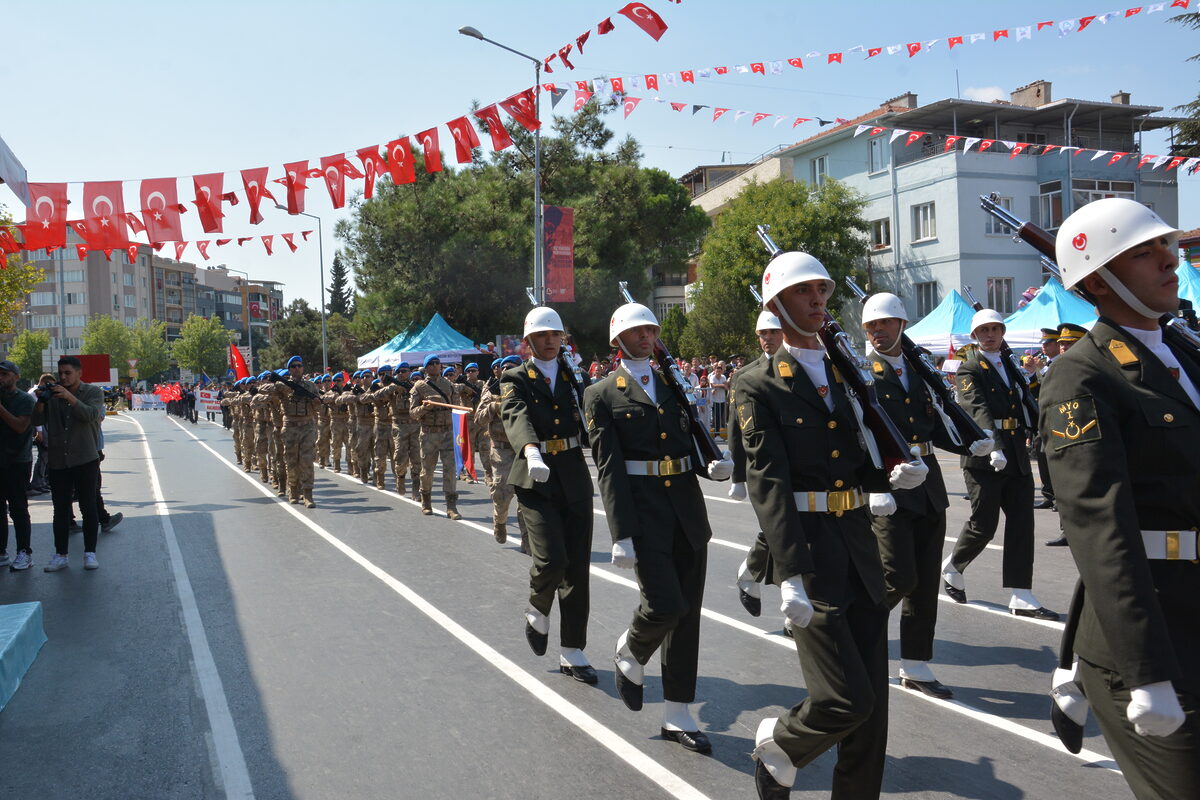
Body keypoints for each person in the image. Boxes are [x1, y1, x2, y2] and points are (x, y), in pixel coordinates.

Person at [736, 251, 927, 799]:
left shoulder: (848, 370)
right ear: (776, 304)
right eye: (804, 292)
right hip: (812, 556)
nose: (818, 299)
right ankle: (782, 744)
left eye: (821, 290)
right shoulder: (758, 384)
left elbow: (859, 452)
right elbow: (767, 481)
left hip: (859, 545)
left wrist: (890, 476)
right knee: (846, 699)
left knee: (872, 716)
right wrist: (788, 573)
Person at [1040, 197, 1199, 800]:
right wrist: (1146, 671)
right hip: (1153, 630)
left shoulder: (1181, 351)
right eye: (1144, 251)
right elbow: (1100, 527)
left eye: (1167, 245)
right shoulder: (1080, 377)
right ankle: (1087, 675)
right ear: (1099, 283)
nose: (1169, 258)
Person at [585, 303, 733, 755]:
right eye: (637, 331)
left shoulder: (673, 382)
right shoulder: (601, 394)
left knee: (687, 616)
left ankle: (677, 714)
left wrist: (716, 465)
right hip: (644, 514)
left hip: (687, 511)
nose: (647, 336)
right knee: (664, 605)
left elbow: (691, 439)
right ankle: (631, 647)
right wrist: (620, 533)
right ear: (618, 340)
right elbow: (609, 468)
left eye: (651, 329)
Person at [859, 293, 994, 699]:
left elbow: (936, 427)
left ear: (901, 325)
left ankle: (915, 664)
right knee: (898, 575)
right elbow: (860, 434)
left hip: (929, 486)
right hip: (893, 486)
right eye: (871, 326)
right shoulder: (862, 374)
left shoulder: (920, 371)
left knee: (923, 582)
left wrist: (970, 444)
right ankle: (852, 633)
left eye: (885, 324)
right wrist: (878, 483)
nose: (878, 331)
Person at [941, 311, 1058, 620]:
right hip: (985, 456)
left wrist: (1031, 379)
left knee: (1022, 524)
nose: (990, 334)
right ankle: (954, 565)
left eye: (995, 329)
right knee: (984, 524)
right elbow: (975, 407)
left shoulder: (1010, 364)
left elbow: (1026, 402)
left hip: (1016, 454)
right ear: (974, 335)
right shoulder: (969, 368)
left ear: (1003, 331)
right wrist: (993, 445)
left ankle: (1021, 593)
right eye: (984, 330)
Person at [501, 309, 596, 680]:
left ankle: (573, 650)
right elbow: (515, 414)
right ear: (528, 342)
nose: (550, 341)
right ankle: (538, 606)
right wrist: (530, 449)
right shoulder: (515, 377)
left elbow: (593, 419)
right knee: (552, 560)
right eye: (541, 336)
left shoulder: (577, 376)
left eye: (555, 334)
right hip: (535, 477)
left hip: (572, 474)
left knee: (577, 569)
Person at [33, 356, 107, 572]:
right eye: (61, 373)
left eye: (68, 373)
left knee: (88, 506)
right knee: (60, 509)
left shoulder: (92, 392)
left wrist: (68, 397)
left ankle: (90, 553)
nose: (63, 377)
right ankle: (61, 555)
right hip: (58, 461)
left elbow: (91, 415)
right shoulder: (51, 396)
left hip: (85, 458)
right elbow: (36, 422)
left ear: (79, 373)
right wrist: (40, 401)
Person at [476, 356, 523, 543]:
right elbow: (479, 418)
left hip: (525, 448)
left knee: (528, 497)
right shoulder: (492, 391)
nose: (506, 371)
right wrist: (494, 406)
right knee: (502, 493)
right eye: (504, 368)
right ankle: (500, 521)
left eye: (511, 368)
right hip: (502, 449)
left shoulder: (528, 389)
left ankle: (527, 539)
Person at [410, 354, 462, 518]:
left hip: (447, 432)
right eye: (430, 364)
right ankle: (426, 500)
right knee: (428, 470)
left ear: (441, 366)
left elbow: (457, 407)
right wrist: (425, 407)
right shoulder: (419, 387)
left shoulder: (450, 385)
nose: (434, 366)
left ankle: (451, 506)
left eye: (437, 363)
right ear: (425, 368)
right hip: (429, 434)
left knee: (450, 469)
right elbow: (413, 413)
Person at [0, 360, 36, 571]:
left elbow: (20, 427)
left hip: (17, 461)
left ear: (16, 376)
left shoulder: (24, 400)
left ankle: (24, 552)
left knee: (18, 508)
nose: (1, 379)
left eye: (5, 375)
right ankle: (1, 551)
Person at [278, 356, 320, 507]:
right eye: (293, 366)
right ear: (289, 370)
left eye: (299, 366)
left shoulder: (310, 386)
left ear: (303, 368)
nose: (297, 368)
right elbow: (263, 389)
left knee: (307, 461)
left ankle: (308, 494)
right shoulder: (282, 386)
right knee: (291, 460)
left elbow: (319, 406)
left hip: (307, 427)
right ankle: (293, 491)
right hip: (290, 426)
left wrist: (316, 403)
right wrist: (284, 385)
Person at [1033, 327, 1061, 512]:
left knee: (1057, 462)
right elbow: (1036, 391)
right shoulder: (1048, 365)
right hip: (1044, 420)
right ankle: (1049, 494)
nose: (1044, 347)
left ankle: (1059, 498)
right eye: (1043, 343)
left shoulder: (1060, 364)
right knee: (1042, 456)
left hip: (1058, 419)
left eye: (1048, 343)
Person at [325, 372, 351, 473]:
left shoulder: (347, 391)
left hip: (346, 420)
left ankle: (350, 466)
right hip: (336, 421)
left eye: (338, 381)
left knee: (349, 444)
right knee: (336, 444)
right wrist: (333, 396)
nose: (336, 383)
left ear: (342, 382)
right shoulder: (331, 392)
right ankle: (337, 465)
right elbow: (324, 399)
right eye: (334, 381)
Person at [708, 363, 729, 435]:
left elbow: (726, 387)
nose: (718, 373)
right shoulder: (712, 377)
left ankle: (720, 433)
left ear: (722, 371)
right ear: (715, 371)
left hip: (722, 400)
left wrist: (722, 385)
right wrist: (722, 385)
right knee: (716, 417)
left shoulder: (723, 377)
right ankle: (716, 434)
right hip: (715, 400)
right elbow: (713, 385)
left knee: (721, 417)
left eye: (719, 371)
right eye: (717, 371)